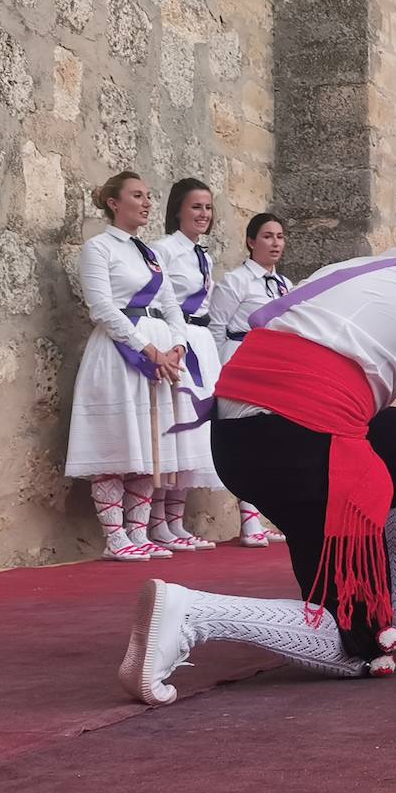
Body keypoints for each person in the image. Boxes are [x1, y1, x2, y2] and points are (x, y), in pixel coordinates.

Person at [118, 177, 396, 705]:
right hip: (299, 441)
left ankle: (393, 606)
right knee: (359, 648)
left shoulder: (348, 269)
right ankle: (193, 614)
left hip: (237, 438)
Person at [65, 172, 187, 562]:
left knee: (147, 444)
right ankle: (115, 536)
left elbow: (171, 305)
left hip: (159, 353)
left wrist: (177, 346)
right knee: (117, 440)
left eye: (149, 196)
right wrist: (148, 349)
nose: (147, 203)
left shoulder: (149, 253)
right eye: (137, 195)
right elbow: (101, 307)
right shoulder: (99, 248)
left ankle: (138, 531)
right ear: (114, 203)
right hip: (120, 351)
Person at [207, 212, 292, 547]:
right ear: (251, 241)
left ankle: (263, 515)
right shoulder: (237, 281)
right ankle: (248, 520)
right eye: (268, 236)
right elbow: (216, 326)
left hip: (273, 362)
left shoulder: (284, 284)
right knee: (247, 434)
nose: (275, 243)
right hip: (241, 356)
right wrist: (216, 371)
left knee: (272, 438)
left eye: (280, 236)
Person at [147, 178, 221, 551]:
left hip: (202, 343)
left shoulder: (204, 255)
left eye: (207, 207)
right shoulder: (164, 249)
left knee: (194, 432)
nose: (203, 214)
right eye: (195, 207)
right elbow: (161, 298)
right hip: (178, 340)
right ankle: (157, 522)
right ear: (178, 209)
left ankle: (175, 522)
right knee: (174, 428)